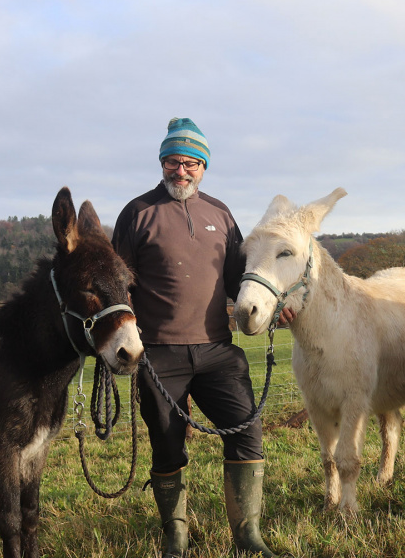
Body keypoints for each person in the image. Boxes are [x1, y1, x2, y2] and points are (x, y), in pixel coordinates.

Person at [112, 117, 288, 557]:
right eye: (174, 161)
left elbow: (236, 280)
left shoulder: (221, 213)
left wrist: (268, 305)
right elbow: (117, 287)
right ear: (162, 163)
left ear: (204, 167)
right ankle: (176, 538)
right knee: (167, 445)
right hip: (158, 354)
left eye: (192, 163)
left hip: (216, 350)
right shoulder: (137, 214)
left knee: (246, 431)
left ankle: (248, 538)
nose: (182, 171)